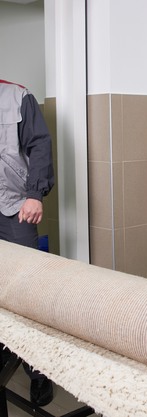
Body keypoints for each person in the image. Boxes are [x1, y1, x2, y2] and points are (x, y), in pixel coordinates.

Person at [0, 79, 55, 406]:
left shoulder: (17, 96)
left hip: (14, 205)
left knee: (28, 288)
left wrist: (35, 194)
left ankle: (39, 371)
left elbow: (40, 145)